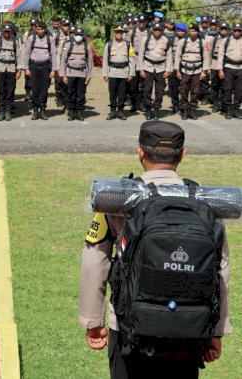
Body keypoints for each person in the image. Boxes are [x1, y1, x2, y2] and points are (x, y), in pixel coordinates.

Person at [79, 121, 231, 378]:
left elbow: (95, 259)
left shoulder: (119, 198)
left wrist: (93, 322)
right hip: (190, 326)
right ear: (182, 155)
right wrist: (216, 330)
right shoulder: (205, 202)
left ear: (140, 152)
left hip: (130, 328)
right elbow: (220, 268)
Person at [23, 20, 58, 120]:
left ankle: (42, 110)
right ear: (35, 29)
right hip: (33, 66)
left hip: (46, 67)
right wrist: (26, 68)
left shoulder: (50, 39)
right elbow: (27, 53)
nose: (40, 31)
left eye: (42, 29)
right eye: (38, 29)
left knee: (44, 89)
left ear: (45, 29)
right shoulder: (31, 38)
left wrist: (53, 70)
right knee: (34, 89)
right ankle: (35, 110)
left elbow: (53, 55)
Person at [138, 23, 172, 120]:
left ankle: (157, 109)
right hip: (148, 67)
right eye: (155, 30)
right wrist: (141, 69)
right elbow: (141, 54)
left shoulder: (166, 40)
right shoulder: (146, 39)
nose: (157, 31)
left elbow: (169, 56)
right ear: (152, 30)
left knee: (159, 91)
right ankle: (148, 110)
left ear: (162, 30)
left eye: (159, 30)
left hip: (161, 68)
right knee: (147, 90)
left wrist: (168, 70)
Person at [0, 23, 23, 121]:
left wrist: (19, 70)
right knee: (0, 90)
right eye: (5, 32)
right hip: (0, 68)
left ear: (11, 32)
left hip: (12, 68)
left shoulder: (15, 42)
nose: (7, 34)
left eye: (9, 32)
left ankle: (8, 111)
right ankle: (1, 111)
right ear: (2, 32)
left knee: (10, 90)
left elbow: (19, 56)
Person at [60, 27, 94, 121]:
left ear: (83, 36)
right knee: (71, 93)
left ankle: (79, 112)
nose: (78, 37)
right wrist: (63, 75)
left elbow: (90, 62)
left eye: (80, 35)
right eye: (77, 35)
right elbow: (63, 61)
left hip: (82, 73)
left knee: (81, 94)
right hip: (70, 72)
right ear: (73, 35)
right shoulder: (68, 45)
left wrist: (89, 76)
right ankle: (71, 112)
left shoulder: (86, 46)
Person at [175, 25, 207, 120]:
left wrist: (203, 72)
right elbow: (177, 56)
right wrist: (177, 70)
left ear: (197, 32)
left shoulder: (203, 42)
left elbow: (206, 57)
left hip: (197, 71)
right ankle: (184, 110)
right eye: (191, 31)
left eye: (194, 31)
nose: (192, 33)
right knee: (183, 90)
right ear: (188, 32)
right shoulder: (182, 42)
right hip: (184, 70)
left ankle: (192, 109)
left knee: (195, 91)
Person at [216, 23, 242, 119]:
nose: (237, 32)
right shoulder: (226, 40)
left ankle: (236, 109)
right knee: (228, 89)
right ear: (232, 31)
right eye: (235, 30)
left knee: (239, 91)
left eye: (239, 30)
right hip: (229, 68)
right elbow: (220, 56)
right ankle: (228, 109)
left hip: (240, 68)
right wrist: (220, 70)